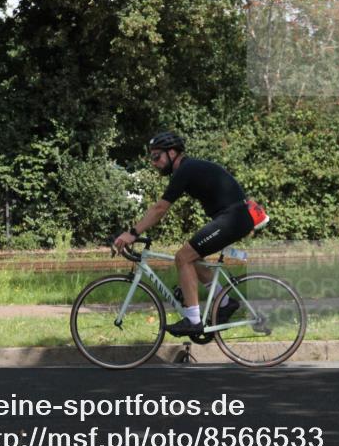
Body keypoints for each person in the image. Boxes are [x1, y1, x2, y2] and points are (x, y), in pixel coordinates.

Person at [112, 132, 266, 336]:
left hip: (233, 218)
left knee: (183, 257)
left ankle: (193, 321)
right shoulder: (188, 169)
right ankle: (225, 303)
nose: (154, 163)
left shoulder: (185, 169)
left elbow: (160, 209)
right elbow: (161, 208)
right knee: (192, 259)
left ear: (172, 153)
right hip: (234, 217)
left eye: (157, 157)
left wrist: (132, 233)